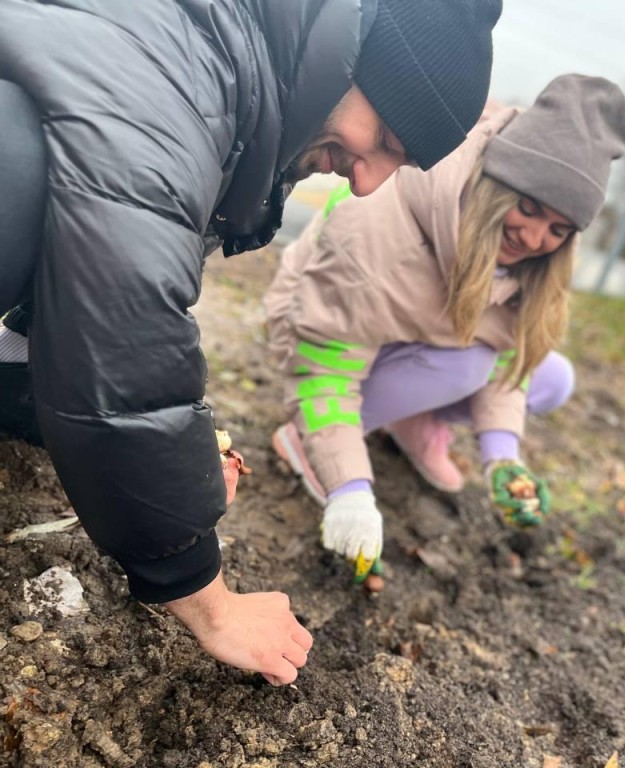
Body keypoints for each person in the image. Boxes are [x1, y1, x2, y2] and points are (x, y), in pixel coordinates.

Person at [0, 0, 502, 686]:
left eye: (400, 163)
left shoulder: (224, 54)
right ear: (352, 64)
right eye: (384, 137)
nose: (367, 181)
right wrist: (207, 598)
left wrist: (174, 460)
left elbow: (86, 292)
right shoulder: (185, 81)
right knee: (22, 170)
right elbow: (124, 324)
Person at [263, 74, 625, 586]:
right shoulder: (378, 231)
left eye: (559, 229)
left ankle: (408, 419)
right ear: (497, 181)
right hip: (317, 334)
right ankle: (306, 442)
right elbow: (322, 368)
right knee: (469, 362)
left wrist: (502, 459)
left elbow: (509, 362)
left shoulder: (527, 264)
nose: (534, 237)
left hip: (411, 339)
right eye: (528, 208)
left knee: (549, 375)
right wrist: (349, 489)